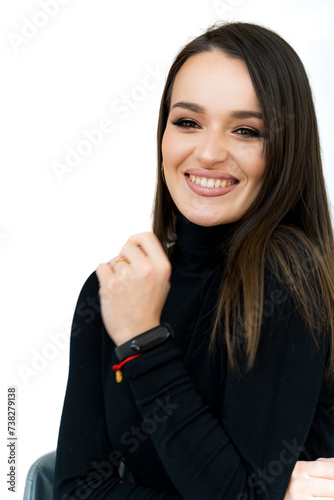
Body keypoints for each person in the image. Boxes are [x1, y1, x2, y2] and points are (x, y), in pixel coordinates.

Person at [54, 22, 334, 499]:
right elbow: (75, 488)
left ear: (285, 149)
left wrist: (142, 342)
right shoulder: (118, 290)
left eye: (246, 130)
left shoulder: (289, 277)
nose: (207, 153)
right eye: (187, 122)